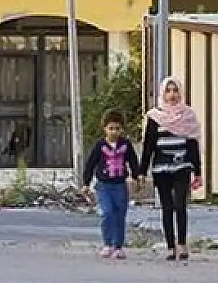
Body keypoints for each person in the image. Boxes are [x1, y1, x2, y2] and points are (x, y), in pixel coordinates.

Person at [140, 77, 203, 261]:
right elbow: (149, 145)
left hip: (182, 166)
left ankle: (182, 244)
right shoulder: (155, 117)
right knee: (167, 207)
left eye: (175, 90)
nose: (172, 95)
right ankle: (170, 246)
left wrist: (198, 171)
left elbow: (193, 145)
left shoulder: (188, 116)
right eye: (168, 91)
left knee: (180, 205)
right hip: (161, 168)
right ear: (163, 94)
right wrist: (142, 171)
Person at [81, 109, 141, 260]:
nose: (114, 132)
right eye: (111, 128)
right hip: (104, 186)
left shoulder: (125, 145)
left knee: (120, 214)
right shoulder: (100, 146)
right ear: (105, 129)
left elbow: (133, 161)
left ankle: (118, 246)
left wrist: (136, 177)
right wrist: (86, 183)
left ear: (122, 129)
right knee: (107, 213)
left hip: (120, 185)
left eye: (117, 128)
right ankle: (107, 243)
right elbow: (90, 164)